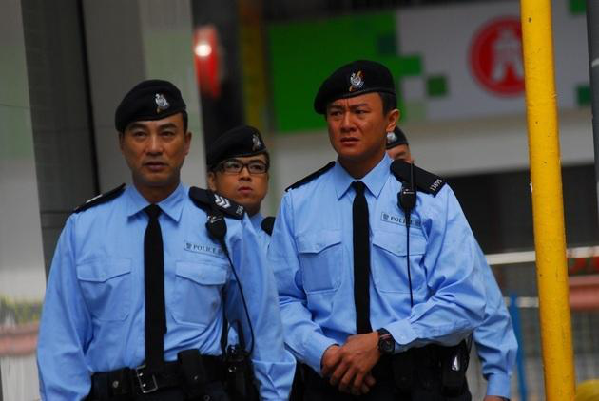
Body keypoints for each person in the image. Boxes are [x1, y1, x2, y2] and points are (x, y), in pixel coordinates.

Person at [36, 79, 294, 401]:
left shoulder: (226, 225)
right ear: (122, 142)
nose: (154, 147)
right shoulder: (84, 228)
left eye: (167, 133)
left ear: (186, 143)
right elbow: (61, 342)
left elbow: (263, 329)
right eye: (140, 134)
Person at [268, 59, 486, 400]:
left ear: (391, 120)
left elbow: (466, 301)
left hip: (417, 384)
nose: (347, 124)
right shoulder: (299, 203)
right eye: (336, 113)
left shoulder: (433, 199)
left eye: (359, 111)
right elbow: (281, 300)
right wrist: (325, 354)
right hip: (329, 382)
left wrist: (384, 340)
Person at [386, 128, 517, 401]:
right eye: (388, 161)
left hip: (438, 383)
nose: (397, 167)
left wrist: (498, 387)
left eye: (402, 157)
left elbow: (486, 303)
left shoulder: (437, 210)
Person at [206, 124, 274, 248]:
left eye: (256, 167)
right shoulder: (200, 235)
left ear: (267, 179)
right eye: (233, 166)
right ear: (212, 180)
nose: (245, 175)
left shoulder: (281, 238)